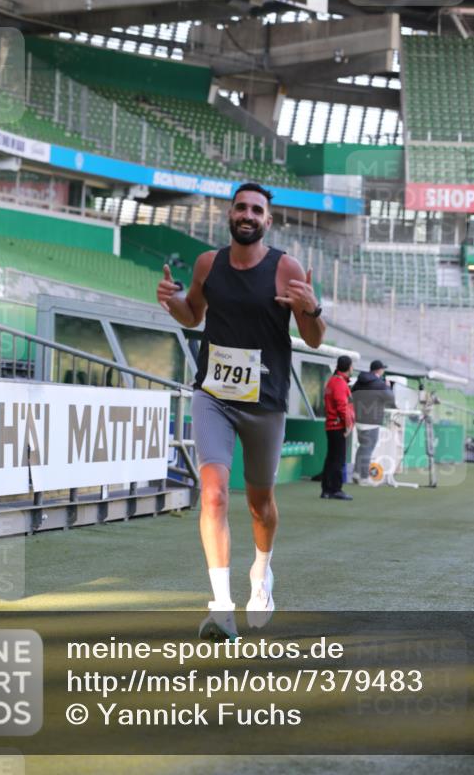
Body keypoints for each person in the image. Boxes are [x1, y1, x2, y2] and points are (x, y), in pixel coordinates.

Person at [156, 182, 325, 639]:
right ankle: (221, 606)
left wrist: (312, 309)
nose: (247, 215)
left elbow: (313, 339)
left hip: (264, 403)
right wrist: (170, 301)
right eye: (241, 207)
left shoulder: (284, 268)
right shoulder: (208, 264)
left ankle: (261, 573)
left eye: (256, 210)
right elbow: (192, 314)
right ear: (230, 214)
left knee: (259, 505)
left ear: (267, 220)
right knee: (212, 494)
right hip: (213, 395)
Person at [351, 360, 396, 485]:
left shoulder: (359, 381)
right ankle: (364, 477)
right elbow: (391, 399)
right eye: (383, 369)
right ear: (379, 370)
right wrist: (388, 387)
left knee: (362, 447)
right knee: (368, 448)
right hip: (372, 420)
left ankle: (356, 473)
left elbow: (352, 395)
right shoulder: (379, 384)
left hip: (359, 419)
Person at [322, 355, 355, 501]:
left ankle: (327, 490)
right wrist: (348, 425)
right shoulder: (340, 383)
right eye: (352, 366)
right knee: (338, 460)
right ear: (349, 367)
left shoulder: (333, 381)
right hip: (338, 426)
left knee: (331, 459)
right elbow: (342, 407)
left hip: (332, 425)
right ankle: (335, 490)